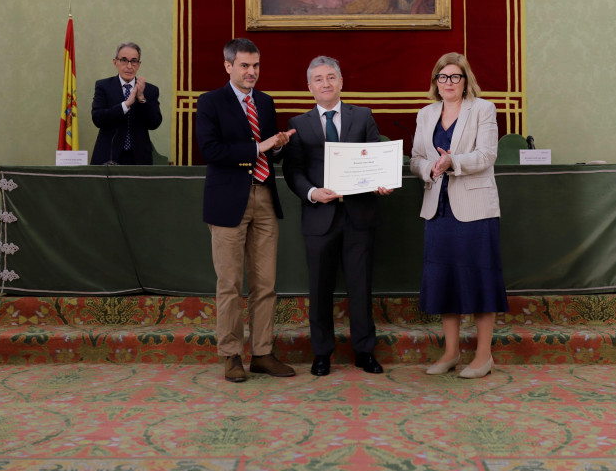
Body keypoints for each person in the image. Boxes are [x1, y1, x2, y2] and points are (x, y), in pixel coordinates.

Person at [195, 38, 297, 383]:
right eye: (244, 66)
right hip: (228, 202)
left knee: (265, 284)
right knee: (229, 284)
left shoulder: (265, 103)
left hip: (265, 198)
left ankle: (264, 353)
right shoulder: (210, 102)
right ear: (228, 66)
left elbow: (268, 151)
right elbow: (210, 150)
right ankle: (231, 356)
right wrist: (259, 147)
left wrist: (279, 146)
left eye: (255, 66)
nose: (251, 72)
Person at [283, 55, 392, 376]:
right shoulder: (298, 125)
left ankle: (364, 351)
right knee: (319, 289)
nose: (325, 83)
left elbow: (377, 157)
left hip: (359, 215)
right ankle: (321, 354)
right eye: (318, 79)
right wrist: (312, 193)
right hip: (319, 217)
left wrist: (381, 181)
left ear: (341, 82)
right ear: (309, 87)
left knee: (361, 287)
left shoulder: (363, 116)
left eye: (331, 77)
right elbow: (294, 171)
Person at [409, 52, 509, 379]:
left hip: (475, 208)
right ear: (435, 82)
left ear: (466, 81)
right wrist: (431, 167)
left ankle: (483, 356)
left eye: (455, 77)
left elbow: (487, 154)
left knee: (479, 279)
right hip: (437, 207)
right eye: (442, 77)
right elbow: (416, 159)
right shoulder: (425, 114)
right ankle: (451, 353)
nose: (448, 83)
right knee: (444, 282)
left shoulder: (483, 109)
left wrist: (453, 162)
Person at [91, 42, 162, 165]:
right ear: (115, 62)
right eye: (124, 60)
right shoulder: (103, 86)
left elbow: (154, 123)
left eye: (133, 61)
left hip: (139, 158)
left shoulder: (150, 90)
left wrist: (141, 98)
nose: (129, 66)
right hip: (109, 156)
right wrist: (126, 105)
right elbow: (97, 119)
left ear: (139, 64)